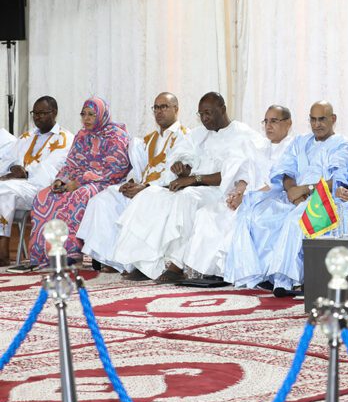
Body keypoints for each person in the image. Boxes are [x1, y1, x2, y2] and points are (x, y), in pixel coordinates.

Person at [110, 92, 264, 283]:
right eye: (201, 114)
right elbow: (183, 157)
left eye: (208, 113)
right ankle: (145, 264)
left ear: (222, 109)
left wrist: (193, 179)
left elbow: (235, 174)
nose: (204, 118)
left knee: (187, 199)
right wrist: (182, 168)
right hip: (193, 185)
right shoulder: (199, 134)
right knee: (149, 195)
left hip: (218, 191)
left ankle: (177, 266)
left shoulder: (243, 134)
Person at [224, 100, 348, 295]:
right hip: (293, 196)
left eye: (322, 119)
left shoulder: (344, 146)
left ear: (333, 119)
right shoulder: (300, 142)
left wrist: (304, 189)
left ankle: (285, 280)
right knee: (255, 214)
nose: (317, 124)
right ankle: (260, 275)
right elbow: (285, 171)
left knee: (295, 221)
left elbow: (339, 180)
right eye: (313, 120)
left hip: (323, 199)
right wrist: (293, 191)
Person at [76, 93, 189, 273]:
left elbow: (178, 174)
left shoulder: (185, 137)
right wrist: (130, 182)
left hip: (164, 191)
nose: (159, 111)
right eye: (156, 107)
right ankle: (112, 259)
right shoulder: (149, 139)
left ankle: (137, 263)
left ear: (176, 109)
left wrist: (145, 187)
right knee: (103, 199)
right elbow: (139, 168)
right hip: (142, 187)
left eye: (164, 107)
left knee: (144, 199)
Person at [182, 104, 294, 278]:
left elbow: (278, 182)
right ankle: (206, 271)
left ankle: (229, 270)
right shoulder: (260, 146)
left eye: (274, 121)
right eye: (266, 121)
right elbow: (245, 173)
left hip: (273, 198)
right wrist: (239, 191)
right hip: (249, 195)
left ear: (288, 123)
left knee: (236, 217)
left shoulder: (293, 147)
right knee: (209, 213)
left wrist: (247, 197)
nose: (268, 126)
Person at [22, 96, 130, 269]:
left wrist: (79, 182)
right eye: (83, 114)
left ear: (102, 115)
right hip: (77, 181)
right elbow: (70, 164)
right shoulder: (81, 135)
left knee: (80, 195)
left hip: (106, 182)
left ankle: (70, 252)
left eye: (91, 114)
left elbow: (117, 169)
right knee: (44, 196)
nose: (86, 119)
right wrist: (60, 180)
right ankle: (44, 252)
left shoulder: (116, 136)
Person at [0, 97, 72, 267]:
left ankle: (2, 252)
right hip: (17, 185)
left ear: (54, 113)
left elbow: (53, 169)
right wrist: (12, 168)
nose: (37, 117)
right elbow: (7, 159)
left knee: (4, 190)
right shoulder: (27, 136)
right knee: (4, 188)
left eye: (42, 113)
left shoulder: (65, 139)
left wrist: (26, 172)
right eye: (35, 113)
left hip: (39, 189)